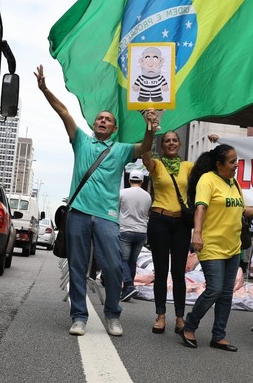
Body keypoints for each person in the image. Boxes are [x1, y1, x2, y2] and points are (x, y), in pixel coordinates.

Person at [35, 65, 157, 337]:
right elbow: (64, 112)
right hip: (78, 212)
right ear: (94, 124)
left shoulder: (121, 149)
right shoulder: (81, 141)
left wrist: (151, 128)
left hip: (107, 216)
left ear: (114, 128)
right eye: (99, 118)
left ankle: (113, 314)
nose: (102, 121)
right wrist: (45, 89)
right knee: (77, 267)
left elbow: (145, 147)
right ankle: (79, 316)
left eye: (107, 120)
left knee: (114, 267)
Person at [178, 143, 253, 352]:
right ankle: (189, 325)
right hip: (211, 245)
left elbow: (243, 211)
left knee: (226, 293)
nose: (236, 165)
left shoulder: (234, 183)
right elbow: (200, 207)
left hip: (233, 248)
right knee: (214, 289)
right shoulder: (208, 180)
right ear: (219, 164)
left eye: (237, 161)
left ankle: (219, 336)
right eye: (232, 162)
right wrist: (196, 234)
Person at [143, 130, 216, 334]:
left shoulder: (188, 166)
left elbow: (207, 169)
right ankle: (160, 316)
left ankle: (180, 318)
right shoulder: (157, 165)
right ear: (162, 145)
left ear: (180, 144)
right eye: (167, 141)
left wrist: (213, 145)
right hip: (159, 220)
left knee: (178, 273)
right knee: (160, 271)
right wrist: (149, 131)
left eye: (174, 140)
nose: (171, 143)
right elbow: (145, 155)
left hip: (182, 224)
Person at [118, 170, 151, 302]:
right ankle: (128, 290)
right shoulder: (148, 196)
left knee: (122, 260)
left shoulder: (122, 193)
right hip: (142, 232)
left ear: (129, 180)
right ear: (142, 181)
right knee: (132, 262)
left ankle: (128, 285)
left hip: (125, 229)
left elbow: (116, 210)